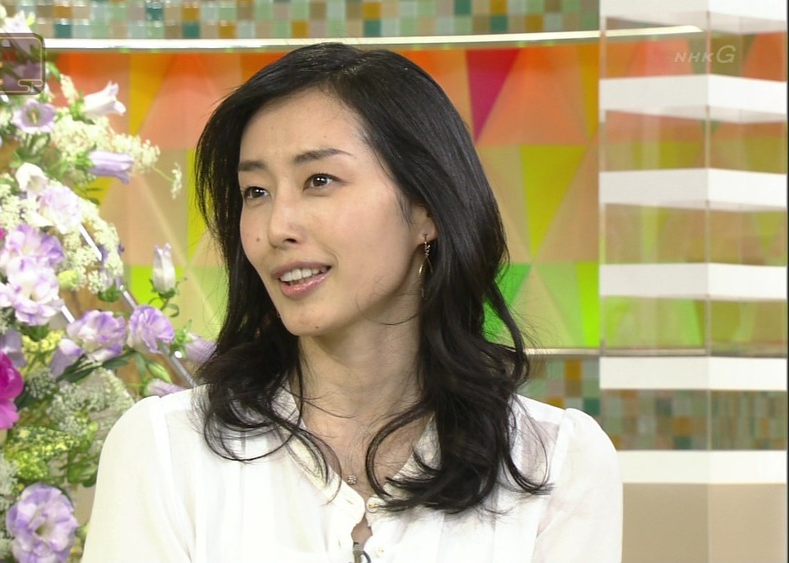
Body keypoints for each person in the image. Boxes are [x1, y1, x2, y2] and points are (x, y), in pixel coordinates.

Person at [83, 42, 622, 562]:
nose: (276, 227)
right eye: (256, 192)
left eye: (319, 180)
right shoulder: (165, 450)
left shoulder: (556, 462)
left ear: (426, 208)